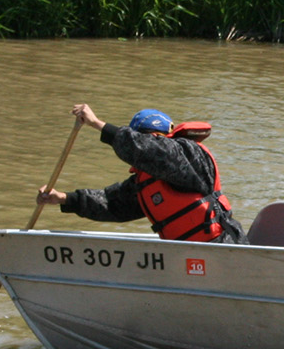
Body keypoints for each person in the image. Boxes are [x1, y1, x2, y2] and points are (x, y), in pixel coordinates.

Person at [37, 103, 244, 244]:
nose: (146, 145)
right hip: (188, 258)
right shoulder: (145, 181)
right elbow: (112, 203)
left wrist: (96, 124)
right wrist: (64, 199)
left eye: (151, 139)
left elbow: (149, 151)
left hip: (223, 246)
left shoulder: (188, 154)